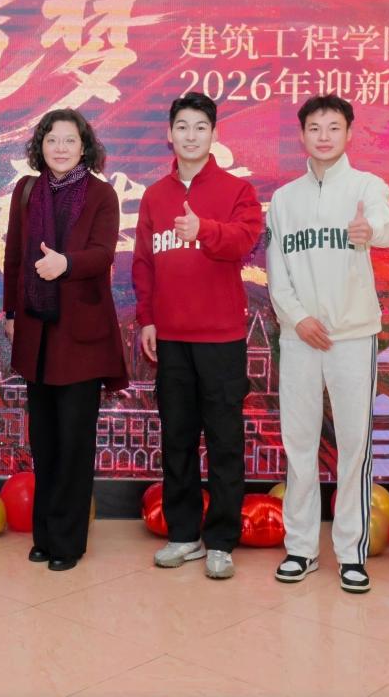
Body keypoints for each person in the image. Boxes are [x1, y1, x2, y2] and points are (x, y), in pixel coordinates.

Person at [265, 93, 389, 594]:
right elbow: (278, 271)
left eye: (333, 127)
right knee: (298, 443)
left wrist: (370, 230)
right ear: (302, 135)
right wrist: (297, 319)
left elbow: (386, 228)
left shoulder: (367, 186)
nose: (324, 136)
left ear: (349, 133)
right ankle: (300, 548)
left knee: (354, 445)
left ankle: (351, 553)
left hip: (353, 335)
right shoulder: (284, 199)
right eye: (315, 128)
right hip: (300, 336)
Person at [133, 92, 263, 579]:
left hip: (221, 338)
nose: (191, 136)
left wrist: (203, 229)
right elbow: (143, 263)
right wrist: (147, 319)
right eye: (182, 127)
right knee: (178, 438)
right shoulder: (154, 196)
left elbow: (243, 240)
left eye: (200, 127)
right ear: (169, 134)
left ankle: (222, 540)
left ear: (214, 134)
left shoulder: (237, 190)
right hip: (170, 338)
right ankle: (184, 534)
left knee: (225, 441)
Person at [3, 108, 128, 572]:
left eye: (69, 140)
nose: (60, 147)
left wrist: (66, 265)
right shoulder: (26, 190)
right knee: (45, 443)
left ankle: (68, 542)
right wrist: (11, 313)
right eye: (52, 139)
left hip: (81, 339)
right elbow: (14, 256)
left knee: (74, 445)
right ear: (40, 145)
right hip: (36, 332)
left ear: (84, 146)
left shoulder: (101, 194)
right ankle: (45, 536)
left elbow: (103, 254)